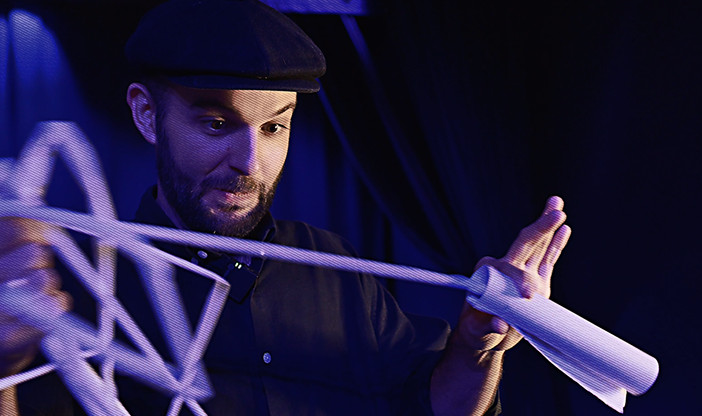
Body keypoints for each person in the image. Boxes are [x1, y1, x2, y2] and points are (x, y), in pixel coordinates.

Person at [0, 0, 571, 415]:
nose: (249, 162)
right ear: (147, 114)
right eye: (217, 123)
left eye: (274, 127)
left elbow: (432, 407)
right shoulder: (75, 286)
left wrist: (475, 346)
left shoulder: (339, 269)